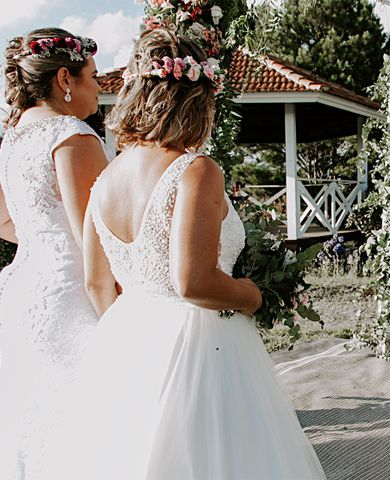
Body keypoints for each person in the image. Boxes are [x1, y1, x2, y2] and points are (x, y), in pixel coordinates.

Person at [45, 29, 326, 479]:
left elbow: (97, 283)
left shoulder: (106, 179)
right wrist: (254, 295)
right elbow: (193, 282)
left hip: (126, 341)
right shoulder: (196, 170)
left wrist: (134, 339)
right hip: (200, 345)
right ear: (199, 99)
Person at [0, 28, 108, 479]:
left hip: (25, 292)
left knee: (35, 427)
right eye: (94, 76)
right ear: (66, 78)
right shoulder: (72, 135)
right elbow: (95, 239)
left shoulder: (12, 139)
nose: (100, 87)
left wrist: (45, 241)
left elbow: (5, 223)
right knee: (87, 427)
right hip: (72, 300)